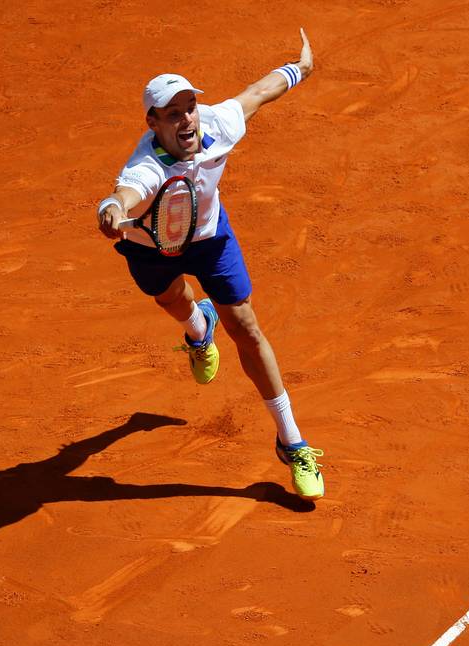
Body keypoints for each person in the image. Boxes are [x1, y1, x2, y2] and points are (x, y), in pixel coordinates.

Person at [96, 28, 325, 501]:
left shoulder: (217, 124)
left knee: (247, 328)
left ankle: (292, 442)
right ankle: (199, 330)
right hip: (151, 246)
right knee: (172, 300)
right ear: (153, 122)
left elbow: (258, 93)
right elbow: (124, 195)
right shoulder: (146, 168)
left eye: (190, 107)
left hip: (209, 239)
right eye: (173, 113)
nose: (187, 119)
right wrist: (111, 211)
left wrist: (299, 69)